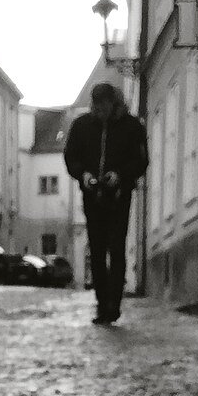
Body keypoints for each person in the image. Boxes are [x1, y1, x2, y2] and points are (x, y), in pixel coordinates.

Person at [64, 83, 149, 326]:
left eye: (104, 105)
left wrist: (120, 175)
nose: (99, 110)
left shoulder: (132, 127)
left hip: (120, 195)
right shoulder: (82, 126)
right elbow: (71, 157)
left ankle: (114, 303)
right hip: (92, 196)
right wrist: (84, 175)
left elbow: (141, 161)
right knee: (98, 251)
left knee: (117, 248)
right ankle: (103, 304)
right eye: (96, 105)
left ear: (114, 103)